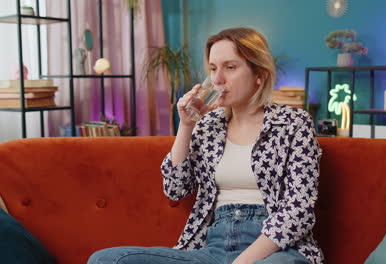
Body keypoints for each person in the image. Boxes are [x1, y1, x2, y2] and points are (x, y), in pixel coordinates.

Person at [87, 27, 324, 264]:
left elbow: (298, 212)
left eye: (230, 67)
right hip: (212, 248)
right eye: (213, 69)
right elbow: (175, 189)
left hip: (274, 250)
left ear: (259, 74)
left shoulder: (293, 123)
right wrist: (186, 125)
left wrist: (241, 262)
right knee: (105, 260)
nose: (217, 79)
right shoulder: (208, 125)